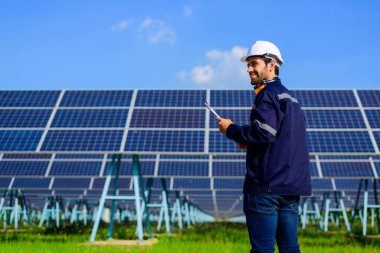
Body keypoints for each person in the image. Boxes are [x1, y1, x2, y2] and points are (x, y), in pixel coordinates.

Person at [217, 41, 311, 253]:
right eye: (248, 65)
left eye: (254, 63)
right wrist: (249, 142)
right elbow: (280, 140)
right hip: (289, 188)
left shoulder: (267, 95)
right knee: (290, 249)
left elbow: (263, 133)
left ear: (271, 65)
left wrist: (231, 129)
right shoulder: (291, 98)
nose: (249, 69)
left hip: (265, 188)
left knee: (262, 250)